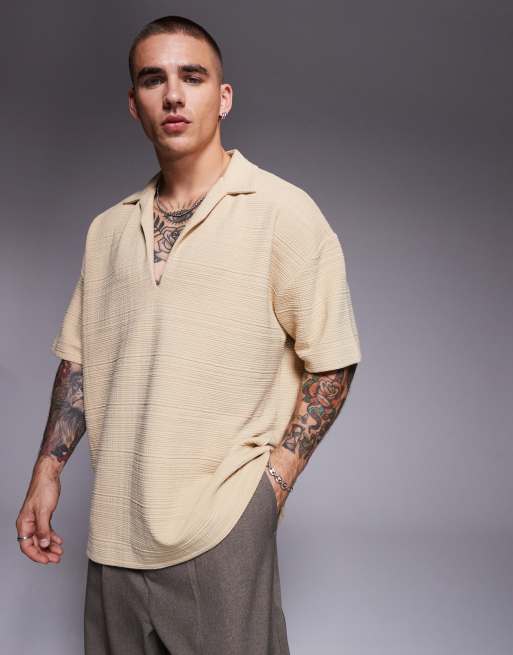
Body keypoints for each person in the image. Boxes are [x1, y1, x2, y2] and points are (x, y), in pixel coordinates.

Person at [15, 14, 362, 655]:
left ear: (223, 96)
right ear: (135, 104)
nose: (173, 94)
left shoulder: (283, 212)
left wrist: (272, 486)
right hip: (113, 533)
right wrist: (47, 469)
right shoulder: (107, 230)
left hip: (222, 525)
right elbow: (82, 361)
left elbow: (333, 360)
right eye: (154, 80)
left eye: (192, 77)